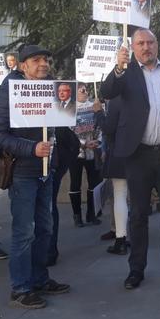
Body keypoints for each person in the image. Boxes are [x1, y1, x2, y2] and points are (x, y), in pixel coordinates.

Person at [100, 28, 160, 290]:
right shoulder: (126, 74)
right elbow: (108, 91)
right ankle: (136, 269)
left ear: (157, 45)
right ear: (132, 48)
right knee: (139, 214)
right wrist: (118, 68)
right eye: (141, 43)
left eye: (150, 42)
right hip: (138, 154)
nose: (146, 47)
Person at [0, 45, 71, 309]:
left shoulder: (51, 86)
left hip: (47, 172)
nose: (43, 64)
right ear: (22, 65)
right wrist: (31, 149)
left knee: (45, 229)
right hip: (24, 172)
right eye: (36, 60)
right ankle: (20, 288)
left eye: (45, 60)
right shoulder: (9, 90)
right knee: (24, 232)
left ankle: (39, 278)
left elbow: (57, 123)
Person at [67, 84, 103, 227]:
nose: (85, 92)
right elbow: (68, 131)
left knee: (93, 183)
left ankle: (91, 213)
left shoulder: (94, 105)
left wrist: (98, 141)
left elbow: (100, 124)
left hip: (92, 150)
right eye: (81, 90)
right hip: (75, 153)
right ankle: (77, 216)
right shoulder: (69, 109)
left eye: (86, 89)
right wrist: (82, 143)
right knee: (75, 183)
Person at [100, 97, 130, 255]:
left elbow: (108, 128)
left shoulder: (117, 100)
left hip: (120, 151)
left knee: (119, 195)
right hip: (141, 152)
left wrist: (98, 113)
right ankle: (132, 236)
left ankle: (121, 238)